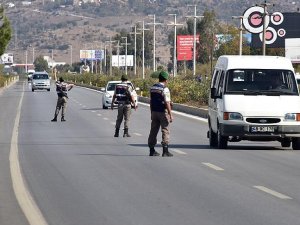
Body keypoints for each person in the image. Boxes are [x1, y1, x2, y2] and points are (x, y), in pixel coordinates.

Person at [148, 71, 173, 157]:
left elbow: (151, 101)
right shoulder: (165, 89)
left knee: (153, 131)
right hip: (162, 112)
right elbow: (167, 102)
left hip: (154, 112)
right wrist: (170, 114)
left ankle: (151, 150)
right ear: (166, 80)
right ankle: (165, 151)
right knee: (165, 130)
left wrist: (151, 112)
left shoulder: (152, 88)